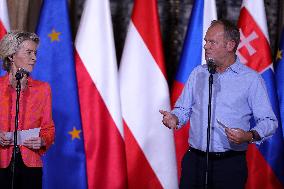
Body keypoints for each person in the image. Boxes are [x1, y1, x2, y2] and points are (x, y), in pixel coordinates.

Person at [160, 20, 277, 189]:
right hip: (194, 162)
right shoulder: (198, 73)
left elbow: (269, 121)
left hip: (229, 165)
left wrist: (249, 135)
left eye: (212, 42)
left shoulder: (251, 79)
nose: (206, 46)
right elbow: (183, 108)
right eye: (206, 41)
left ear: (230, 45)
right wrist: (175, 118)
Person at [0, 31, 55, 189]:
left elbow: (49, 128)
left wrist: (42, 140)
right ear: (11, 56)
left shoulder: (43, 89)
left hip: (30, 166)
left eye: (35, 53)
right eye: (29, 52)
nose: (34, 58)